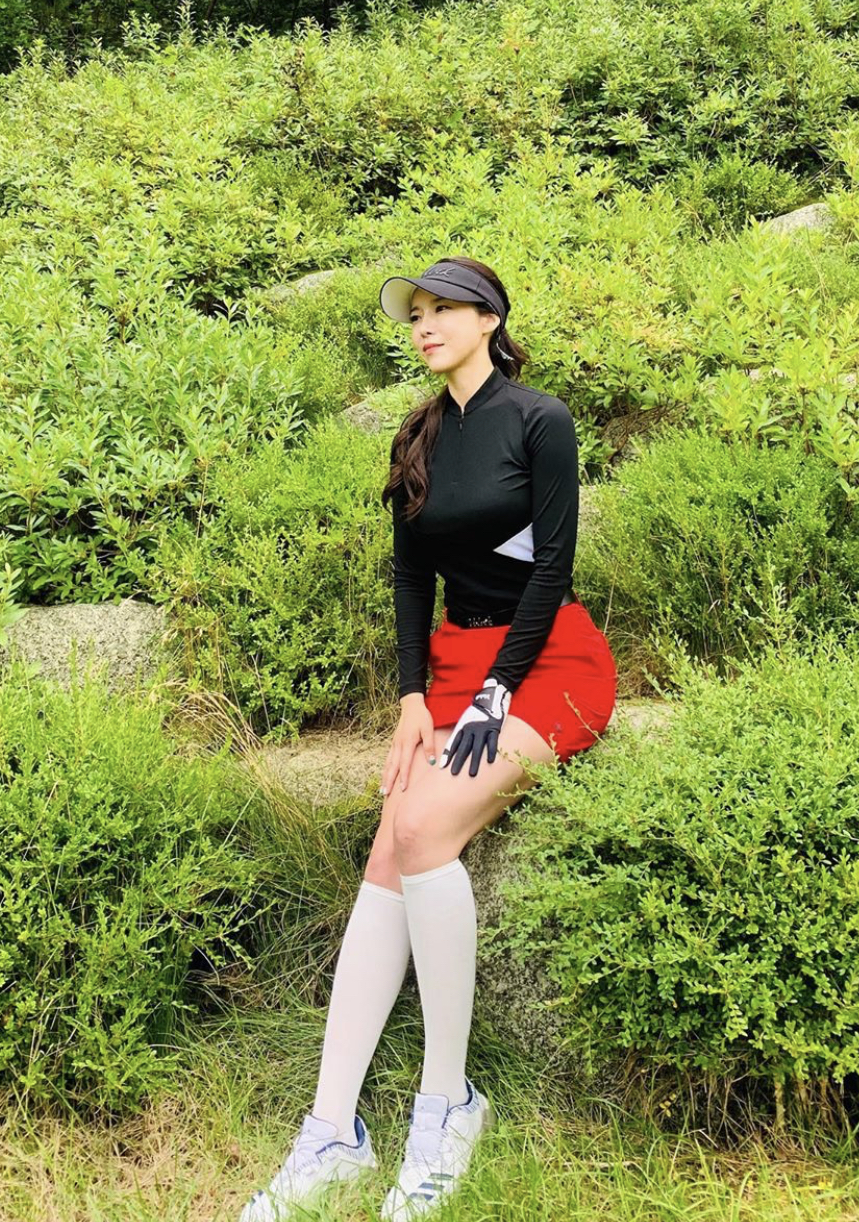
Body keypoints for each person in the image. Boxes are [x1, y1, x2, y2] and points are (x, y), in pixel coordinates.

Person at [239, 256, 617, 1221]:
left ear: (489, 319)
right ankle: (331, 1133)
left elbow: (551, 570)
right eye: (415, 313)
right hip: (451, 667)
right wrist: (413, 697)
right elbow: (411, 578)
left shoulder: (539, 419)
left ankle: (448, 1103)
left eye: (444, 308)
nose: (424, 324)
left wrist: (494, 693)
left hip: (547, 660)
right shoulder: (417, 434)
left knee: (421, 830)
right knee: (388, 846)